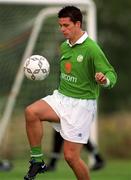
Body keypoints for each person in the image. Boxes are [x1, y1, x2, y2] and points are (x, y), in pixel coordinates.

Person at [24, 6, 117, 180]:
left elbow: (111, 73)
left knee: (71, 157)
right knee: (31, 112)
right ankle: (37, 161)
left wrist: (105, 79)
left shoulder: (91, 49)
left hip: (81, 106)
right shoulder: (64, 47)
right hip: (61, 98)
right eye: (60, 25)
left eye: (66, 25)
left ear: (77, 24)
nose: (62, 29)